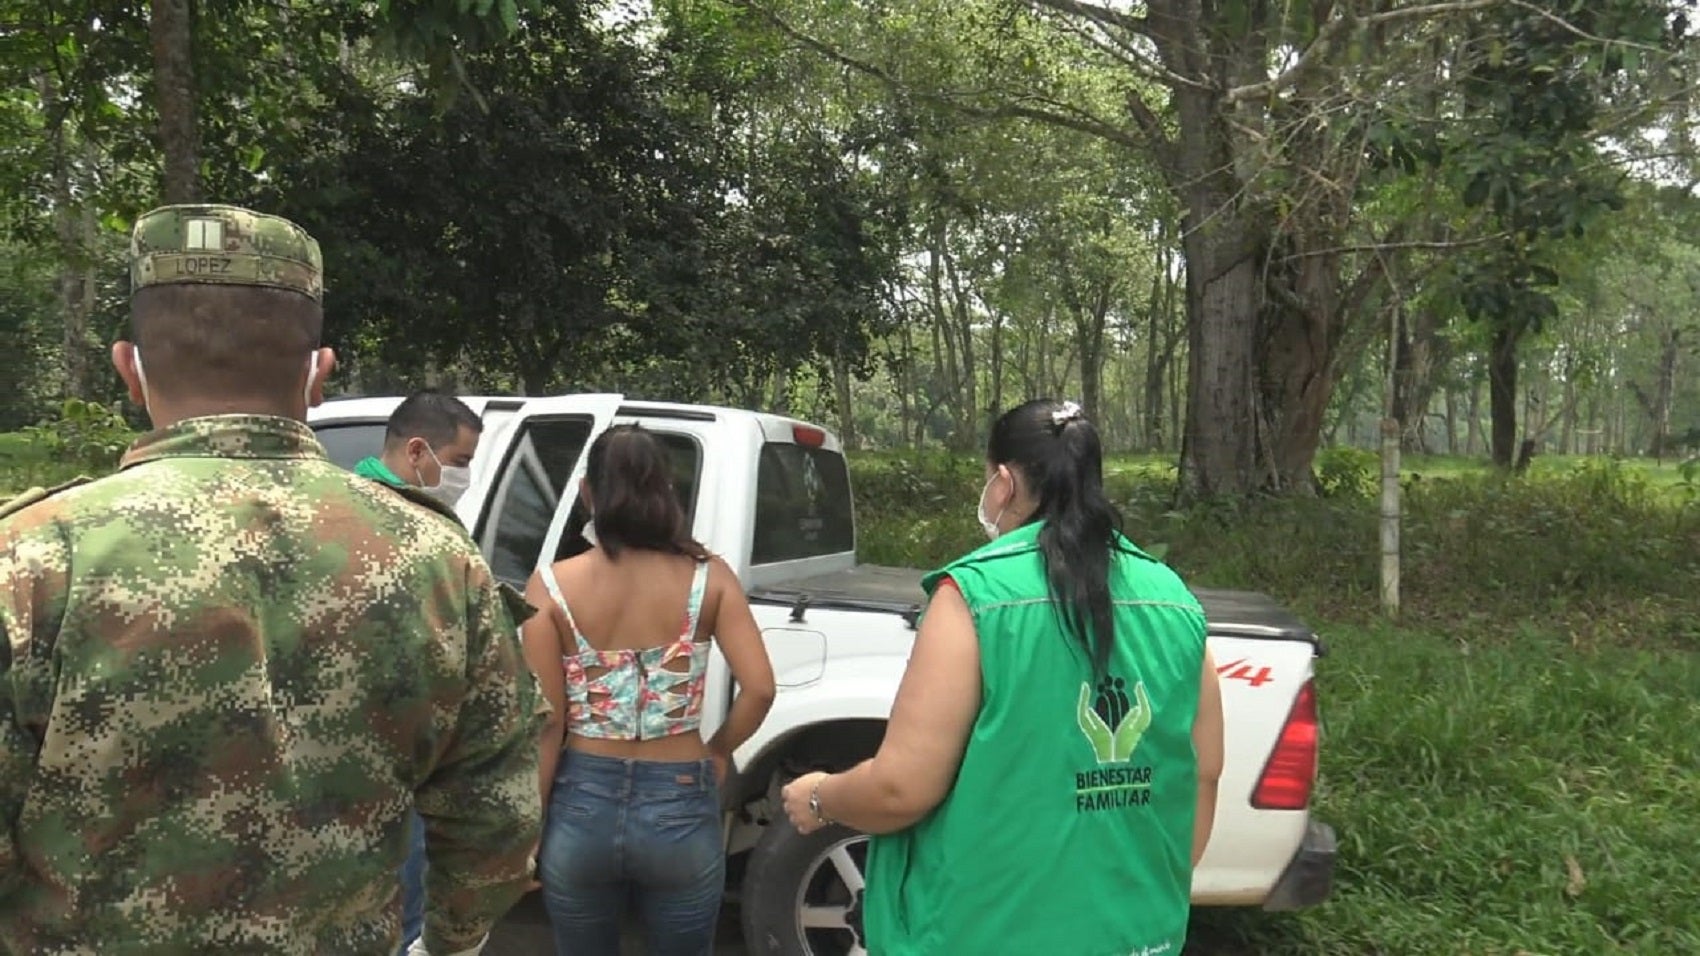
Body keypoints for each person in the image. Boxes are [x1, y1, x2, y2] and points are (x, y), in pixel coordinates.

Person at [0, 204, 546, 955]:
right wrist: (450, 937)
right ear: (320, 373)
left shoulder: (32, 557)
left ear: (129, 368)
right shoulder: (438, 561)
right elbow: (495, 822)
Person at [780, 398, 1226, 956]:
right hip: (1139, 935)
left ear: (1005, 482)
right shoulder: (1177, 603)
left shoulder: (974, 598)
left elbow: (900, 788)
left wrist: (821, 796)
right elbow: (1203, 774)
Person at [519, 424, 776, 954]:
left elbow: (546, 721)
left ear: (590, 492)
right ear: (665, 490)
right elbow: (760, 689)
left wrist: (531, 828)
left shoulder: (551, 585)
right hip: (680, 794)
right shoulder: (710, 578)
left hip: (581, 802)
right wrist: (719, 749)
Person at [351, 389, 486, 953]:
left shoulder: (332, 508)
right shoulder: (424, 538)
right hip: (396, 766)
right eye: (458, 463)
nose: (463, 479)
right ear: (416, 451)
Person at [354, 390, 482, 508]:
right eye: (460, 462)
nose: (465, 475)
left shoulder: (412, 507)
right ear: (416, 452)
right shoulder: (368, 510)